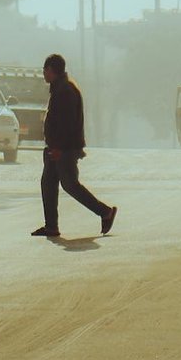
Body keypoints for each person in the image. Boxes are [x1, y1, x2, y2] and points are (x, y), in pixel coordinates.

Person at [32, 53, 117, 239]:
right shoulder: (60, 87)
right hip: (56, 148)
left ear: (51, 70)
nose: (43, 74)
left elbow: (67, 124)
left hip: (63, 149)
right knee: (48, 184)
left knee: (70, 185)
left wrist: (59, 148)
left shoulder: (65, 90)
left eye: (44, 71)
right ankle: (51, 226)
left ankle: (105, 212)